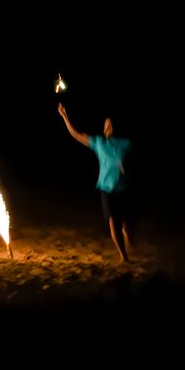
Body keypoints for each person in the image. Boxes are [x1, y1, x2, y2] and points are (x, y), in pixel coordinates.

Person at [58, 103, 132, 263]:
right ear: (104, 128)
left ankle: (127, 231)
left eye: (111, 123)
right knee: (113, 222)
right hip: (106, 188)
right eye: (106, 123)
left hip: (123, 189)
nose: (108, 125)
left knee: (125, 222)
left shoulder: (124, 143)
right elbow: (76, 134)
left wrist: (127, 167)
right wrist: (64, 116)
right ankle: (124, 257)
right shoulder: (99, 143)